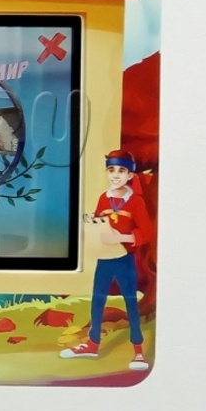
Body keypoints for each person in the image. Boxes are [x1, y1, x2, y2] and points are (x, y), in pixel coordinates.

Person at [61, 149, 154, 371]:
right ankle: (92, 344)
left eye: (121, 171)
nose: (115, 175)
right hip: (104, 258)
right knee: (97, 300)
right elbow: (98, 222)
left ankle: (138, 351)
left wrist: (120, 237)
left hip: (124, 259)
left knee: (130, 302)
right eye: (111, 170)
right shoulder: (104, 197)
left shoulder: (135, 201)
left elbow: (147, 232)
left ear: (130, 175)